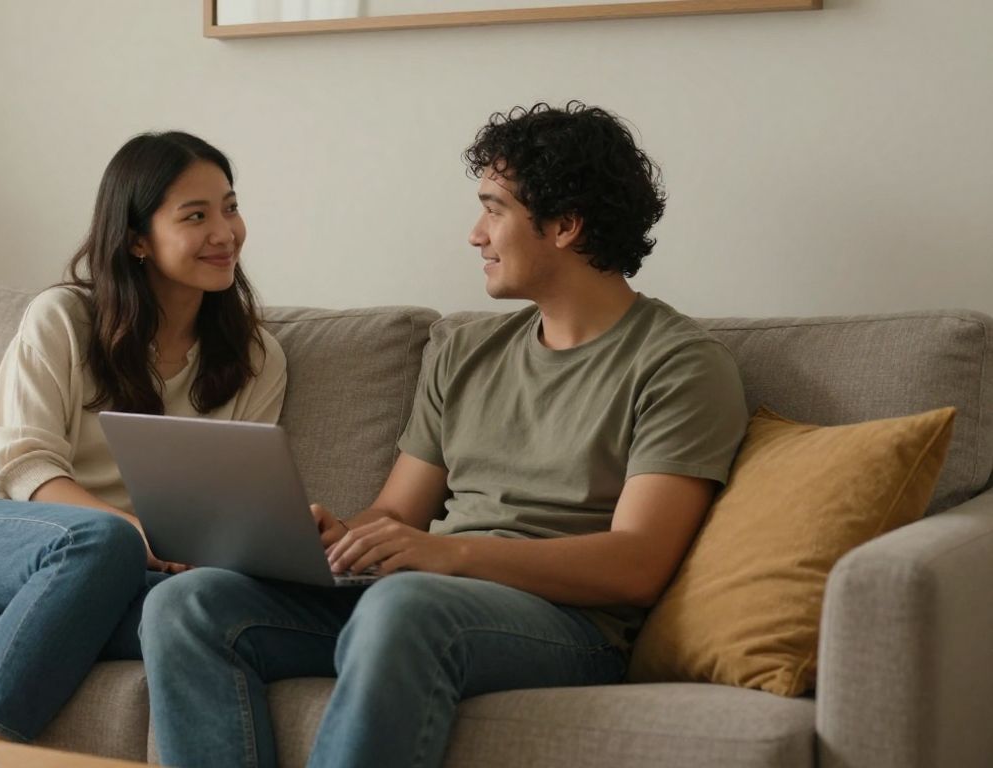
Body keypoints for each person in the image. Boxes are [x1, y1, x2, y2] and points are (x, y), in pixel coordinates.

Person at [140, 102, 749, 768]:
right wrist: (340, 537)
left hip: (563, 622)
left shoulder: (678, 363)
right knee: (186, 604)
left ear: (565, 225)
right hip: (417, 597)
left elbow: (637, 565)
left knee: (405, 605)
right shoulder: (466, 351)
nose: (475, 234)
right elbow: (398, 512)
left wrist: (448, 554)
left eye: (494, 210)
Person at [0, 131, 287, 743]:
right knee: (105, 542)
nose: (225, 232)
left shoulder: (256, 358)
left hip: (118, 569)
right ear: (136, 239)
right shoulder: (65, 319)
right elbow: (22, 464)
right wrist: (131, 530)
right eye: (195, 216)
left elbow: (229, 498)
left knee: (192, 614)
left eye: (230, 208)